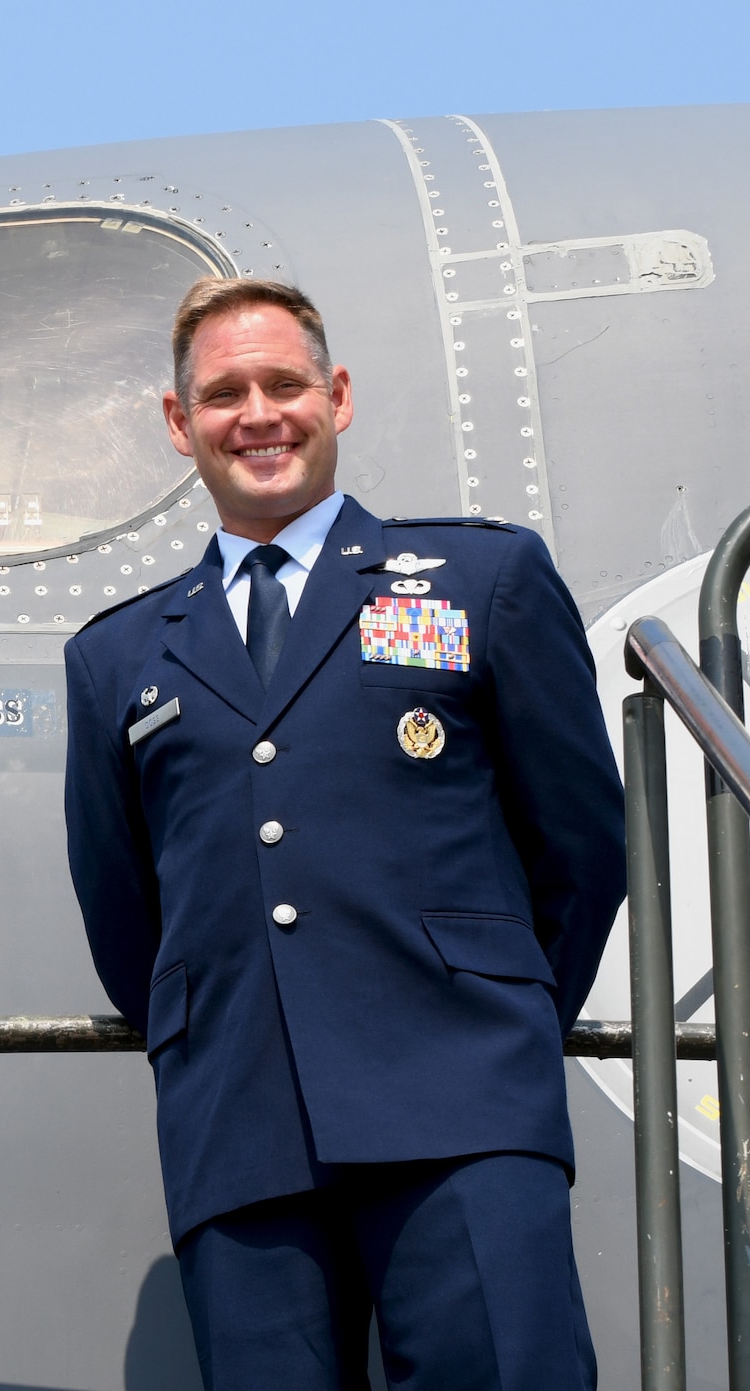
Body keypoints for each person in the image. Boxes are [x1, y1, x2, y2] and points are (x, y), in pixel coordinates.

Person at [62, 277, 624, 1390]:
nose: (256, 413)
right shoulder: (117, 655)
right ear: (180, 425)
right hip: (242, 1126)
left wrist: (487, 1010)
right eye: (222, 393)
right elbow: (125, 913)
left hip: (460, 1100)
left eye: (283, 383)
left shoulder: (478, 580)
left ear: (338, 396)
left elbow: (581, 845)